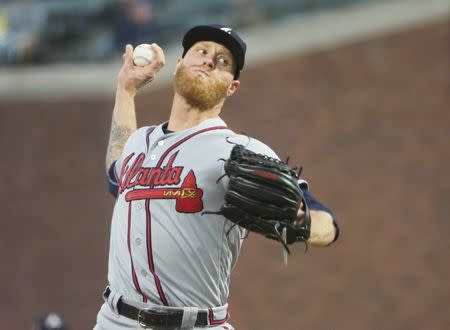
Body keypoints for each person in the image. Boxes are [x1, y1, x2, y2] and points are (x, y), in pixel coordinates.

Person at [94, 24, 339, 330]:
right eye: (201, 51)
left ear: (231, 86)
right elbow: (116, 175)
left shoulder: (240, 150)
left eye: (223, 62)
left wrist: (299, 223)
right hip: (113, 321)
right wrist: (126, 90)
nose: (209, 60)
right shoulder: (140, 141)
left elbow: (326, 221)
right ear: (179, 65)